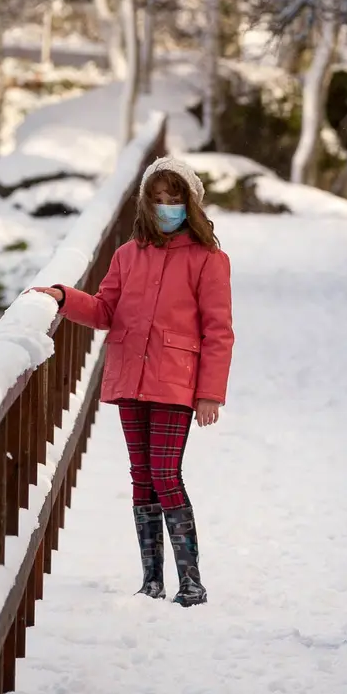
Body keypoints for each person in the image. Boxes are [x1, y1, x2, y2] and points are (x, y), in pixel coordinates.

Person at [35, 155, 233, 607]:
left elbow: (218, 331)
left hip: (176, 382)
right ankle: (152, 581)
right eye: (158, 199)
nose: (166, 207)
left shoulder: (209, 260)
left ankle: (192, 582)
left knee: (165, 474)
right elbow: (105, 310)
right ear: (146, 204)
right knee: (141, 477)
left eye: (175, 199)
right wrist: (65, 297)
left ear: (191, 203)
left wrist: (209, 393)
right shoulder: (128, 255)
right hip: (130, 377)